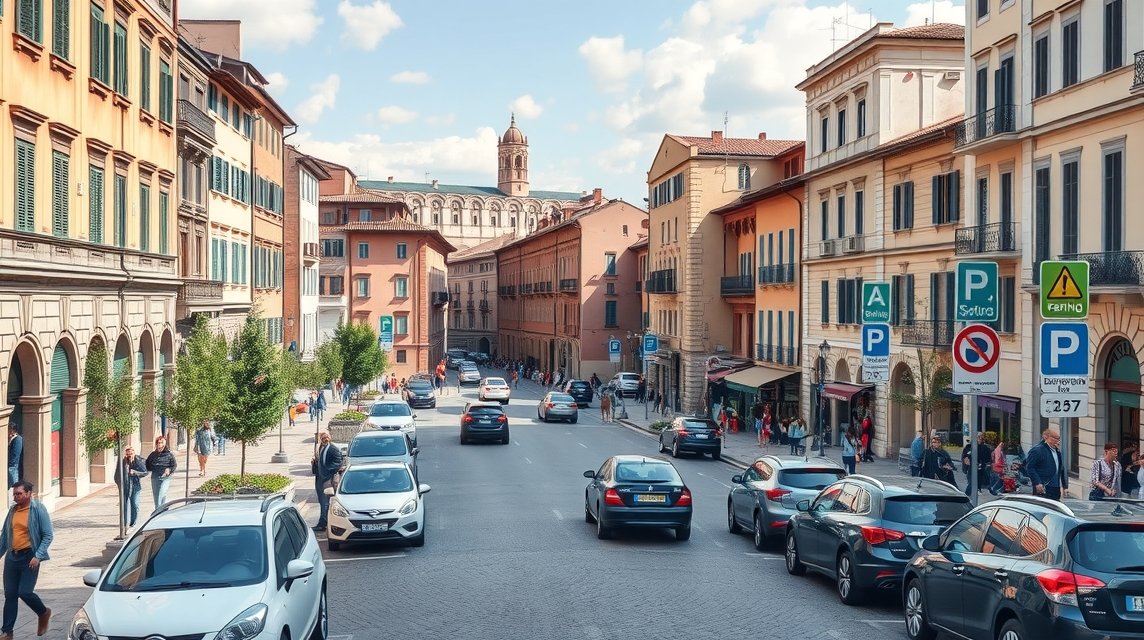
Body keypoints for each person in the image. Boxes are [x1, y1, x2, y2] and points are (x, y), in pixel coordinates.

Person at [0, 481, 53, 638]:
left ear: (29, 494)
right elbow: (4, 537)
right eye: (14, 494)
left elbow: (48, 535)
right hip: (12, 557)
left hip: (29, 557)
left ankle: (43, 612)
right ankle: (7, 632)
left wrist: (38, 556)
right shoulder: (12, 510)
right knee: (10, 594)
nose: (16, 497)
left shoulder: (38, 509)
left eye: (19, 494)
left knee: (25, 592)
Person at [311, 431, 344, 532]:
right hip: (320, 478)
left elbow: (338, 462)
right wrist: (315, 463)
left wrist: (326, 473)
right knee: (322, 501)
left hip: (328, 479)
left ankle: (324, 523)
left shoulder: (333, 449)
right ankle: (323, 521)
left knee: (326, 502)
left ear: (330, 437)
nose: (326, 439)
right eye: (323, 437)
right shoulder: (321, 447)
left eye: (327, 437)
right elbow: (321, 461)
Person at [1025, 427, 1068, 500]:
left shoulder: (1057, 451)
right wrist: (1037, 482)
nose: (1058, 441)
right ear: (1046, 437)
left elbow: (1061, 468)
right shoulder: (1037, 450)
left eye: (1058, 438)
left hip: (1056, 487)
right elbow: (1030, 467)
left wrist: (1064, 486)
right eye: (1055, 438)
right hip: (1044, 486)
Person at [113, 447, 148, 528]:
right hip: (125, 486)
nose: (129, 456)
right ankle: (124, 523)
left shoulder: (138, 461)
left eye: (131, 454)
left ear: (134, 453)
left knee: (134, 504)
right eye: (128, 455)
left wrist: (135, 472)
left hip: (135, 486)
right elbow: (116, 475)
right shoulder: (123, 462)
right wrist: (119, 484)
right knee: (124, 505)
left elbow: (145, 472)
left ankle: (133, 522)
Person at [144, 436, 177, 509]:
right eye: (158, 443)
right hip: (155, 477)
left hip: (165, 477)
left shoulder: (169, 454)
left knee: (161, 494)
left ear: (164, 444)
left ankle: (160, 510)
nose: (159, 444)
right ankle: (160, 510)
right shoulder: (153, 454)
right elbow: (147, 464)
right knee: (157, 497)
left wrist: (169, 469)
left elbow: (174, 465)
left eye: (161, 443)